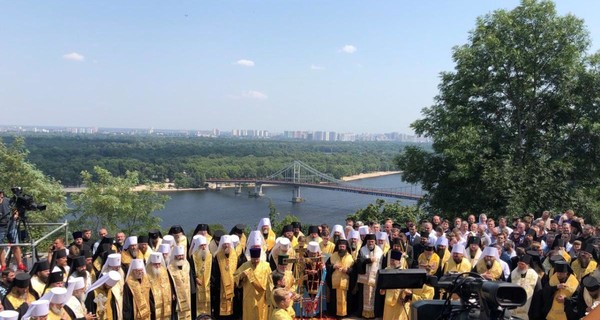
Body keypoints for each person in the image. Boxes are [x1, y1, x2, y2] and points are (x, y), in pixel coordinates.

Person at [234, 247, 271, 320]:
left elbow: (270, 282)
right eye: (254, 259)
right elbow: (235, 276)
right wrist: (242, 275)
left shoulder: (266, 266)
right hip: (249, 297)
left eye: (257, 259)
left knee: (261, 316)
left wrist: (269, 297)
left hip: (261, 297)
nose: (256, 261)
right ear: (251, 257)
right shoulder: (245, 265)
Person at [357, 234, 383, 318]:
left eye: (372, 241)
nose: (370, 243)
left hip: (375, 277)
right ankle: (364, 314)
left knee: (375, 297)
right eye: (369, 241)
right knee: (363, 297)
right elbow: (359, 262)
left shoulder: (380, 251)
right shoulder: (362, 250)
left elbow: (383, 263)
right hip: (365, 278)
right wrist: (367, 261)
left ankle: (374, 314)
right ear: (366, 241)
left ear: (375, 241)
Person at [326, 239, 354, 318]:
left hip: (346, 282)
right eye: (340, 246)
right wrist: (333, 267)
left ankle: (345, 313)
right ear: (338, 247)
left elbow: (354, 270)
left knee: (346, 298)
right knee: (334, 298)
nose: (341, 248)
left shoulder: (350, 257)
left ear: (346, 247)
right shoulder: (333, 256)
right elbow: (327, 267)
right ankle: (334, 313)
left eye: (343, 246)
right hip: (334, 282)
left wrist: (348, 270)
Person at [510, 255, 538, 320]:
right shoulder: (514, 272)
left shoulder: (534, 275)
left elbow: (538, 292)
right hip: (513, 304)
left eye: (522, 264)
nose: (520, 266)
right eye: (518, 264)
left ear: (527, 265)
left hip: (529, 306)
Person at [168, 245, 192, 320]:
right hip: (177, 294)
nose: (181, 257)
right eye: (179, 256)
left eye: (182, 255)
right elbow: (169, 282)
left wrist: (192, 290)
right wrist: (172, 293)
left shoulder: (187, 264)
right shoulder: (170, 267)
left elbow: (190, 277)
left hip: (187, 292)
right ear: (175, 256)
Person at [145, 252, 172, 320]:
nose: (157, 266)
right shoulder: (147, 272)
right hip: (153, 302)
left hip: (164, 300)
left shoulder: (163, 269)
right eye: (155, 264)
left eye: (159, 264)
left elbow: (168, 284)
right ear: (151, 263)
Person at [191, 234, 212, 316]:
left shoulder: (210, 255)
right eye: (201, 245)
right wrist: (195, 278)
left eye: (204, 245)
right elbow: (191, 269)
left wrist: (211, 279)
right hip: (198, 283)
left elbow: (212, 268)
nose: (203, 247)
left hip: (208, 282)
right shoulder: (193, 256)